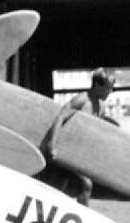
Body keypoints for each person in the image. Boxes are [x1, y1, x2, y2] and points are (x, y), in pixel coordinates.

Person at [40, 68, 119, 206]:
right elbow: (60, 117)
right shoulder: (81, 100)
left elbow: (93, 130)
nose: (110, 92)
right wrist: (52, 144)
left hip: (78, 154)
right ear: (97, 85)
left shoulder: (101, 106)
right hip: (62, 150)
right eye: (108, 88)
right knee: (79, 185)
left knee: (73, 187)